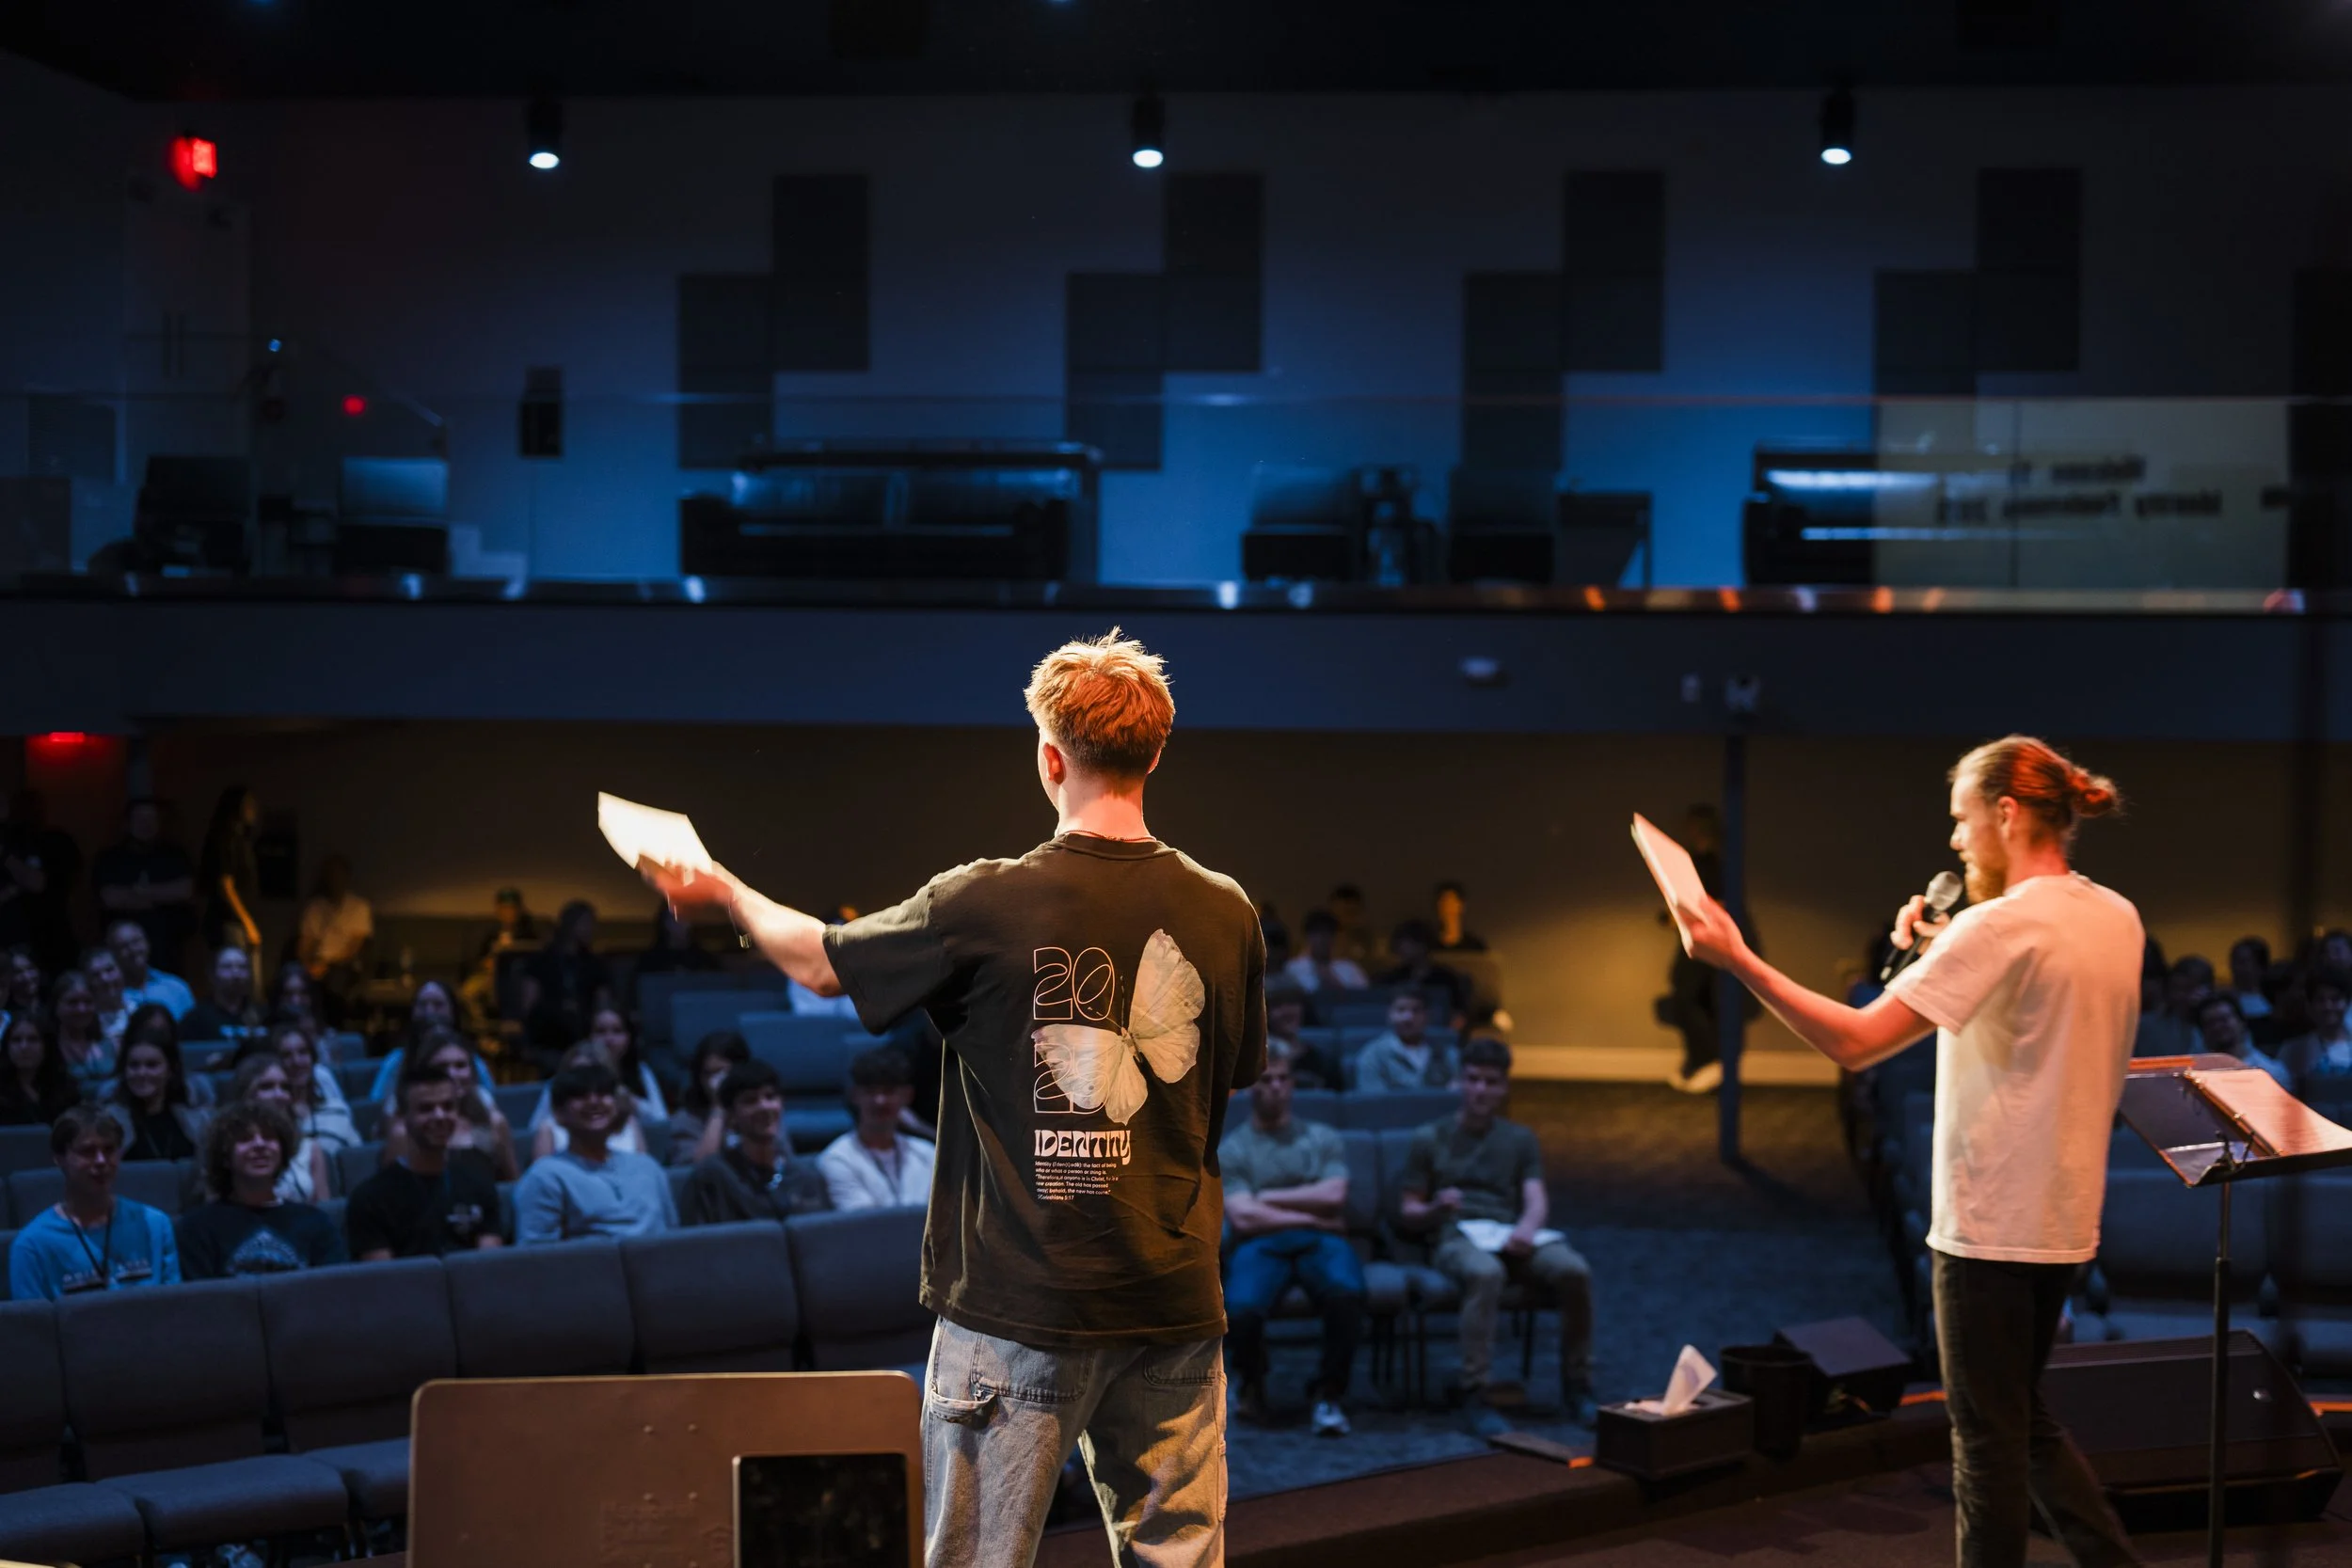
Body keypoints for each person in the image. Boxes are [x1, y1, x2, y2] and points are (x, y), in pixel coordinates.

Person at [644, 628, 1263, 1568]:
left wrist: (722, 886)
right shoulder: (1227, 909)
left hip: (1019, 1304)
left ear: (1050, 757)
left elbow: (818, 964)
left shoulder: (984, 899)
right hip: (1174, 1298)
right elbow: (1230, 1076)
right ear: (1156, 750)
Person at [1677, 735, 2143, 1568]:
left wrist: (1737, 958)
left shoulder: (1996, 927)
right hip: (2066, 1216)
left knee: (1986, 1443)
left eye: (1963, 819)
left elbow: (1856, 1043)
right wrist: (1941, 945)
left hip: (1990, 1225)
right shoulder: (2114, 914)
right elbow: (2029, 1010)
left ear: (2006, 813)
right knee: (2019, 1420)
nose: (1955, 840)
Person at [1395, 1036, 1594, 1420]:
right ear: (1460, 1082)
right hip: (1455, 1235)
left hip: (1508, 1231)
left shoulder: (1519, 1139)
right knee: (1486, 1273)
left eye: (1490, 1082)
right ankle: (1475, 1391)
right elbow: (1409, 1210)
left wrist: (1526, 1227)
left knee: (1574, 1270)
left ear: (1504, 1087)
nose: (1480, 1090)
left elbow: (1536, 1198)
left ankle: (1578, 1383)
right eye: (1472, 1080)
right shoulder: (1430, 1137)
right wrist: (1436, 1206)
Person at [1219, 1040, 1363, 1436]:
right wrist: (1315, 1216)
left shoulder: (1321, 1137)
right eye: (1267, 1079)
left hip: (1318, 1242)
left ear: (1293, 1084)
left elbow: (1335, 1195)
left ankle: (1328, 1394)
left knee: (1346, 1293)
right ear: (1252, 1087)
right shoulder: (1234, 1149)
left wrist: (1266, 1198)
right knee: (1242, 1308)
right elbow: (1243, 1216)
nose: (1277, 1087)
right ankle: (1253, 1386)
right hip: (1263, 1243)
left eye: (1284, 1078)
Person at [8, 1105, 181, 1299]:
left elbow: (172, 1314)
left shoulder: (155, 1225)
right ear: (59, 1159)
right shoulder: (32, 1246)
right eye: (87, 1151)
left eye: (109, 1150)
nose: (101, 1161)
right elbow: (32, 1327)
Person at [346, 1063, 506, 1259]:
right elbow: (384, 1281)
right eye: (426, 1109)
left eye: (448, 1107)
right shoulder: (370, 1200)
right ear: (403, 1117)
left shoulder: (480, 1184)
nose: (439, 1116)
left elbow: (487, 1268)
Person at [176, 1101, 344, 1277]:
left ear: (283, 1152)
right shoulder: (196, 1229)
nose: (259, 1144)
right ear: (225, 1157)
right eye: (245, 1139)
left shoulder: (316, 1222)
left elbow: (332, 1294)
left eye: (269, 1137)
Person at [514, 1060, 675, 1243]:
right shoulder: (545, 1177)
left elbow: (671, 1238)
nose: (593, 1101)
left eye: (603, 1093)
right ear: (559, 1114)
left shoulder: (648, 1167)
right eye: (580, 1095)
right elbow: (537, 1258)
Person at [678, 1058, 832, 1225]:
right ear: (731, 1117)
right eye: (750, 1100)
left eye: (770, 1096)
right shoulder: (711, 1179)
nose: (764, 1107)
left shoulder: (806, 1177)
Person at [528, 1007, 668, 1159]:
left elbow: (645, 1172)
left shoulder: (630, 1124)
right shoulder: (548, 1130)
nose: (592, 1098)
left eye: (601, 1086)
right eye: (580, 1084)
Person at [381, 1028, 519, 1180]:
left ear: (472, 1071)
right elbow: (390, 1193)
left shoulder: (495, 1123)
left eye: (460, 1066)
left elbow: (511, 1183)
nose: (453, 1075)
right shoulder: (403, 1133)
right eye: (442, 1067)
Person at [819, 1045, 936, 1210]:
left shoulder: (928, 1154)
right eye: (870, 1092)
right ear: (854, 1095)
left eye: (889, 1091)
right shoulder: (837, 1158)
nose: (879, 1101)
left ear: (908, 1095)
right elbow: (867, 1226)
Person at [91, 799, 197, 979]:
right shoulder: (111, 858)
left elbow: (185, 890)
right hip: (123, 951)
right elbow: (110, 898)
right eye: (140, 819)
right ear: (127, 823)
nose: (146, 824)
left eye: (151, 819)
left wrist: (140, 893)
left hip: (168, 945)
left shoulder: (174, 855)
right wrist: (162, 895)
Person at [226, 1049, 335, 1202]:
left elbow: (325, 1210)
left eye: (285, 1087)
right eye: (266, 1087)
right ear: (245, 1093)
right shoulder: (227, 1145)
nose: (280, 1095)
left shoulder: (309, 1148)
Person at [363, 979, 491, 1102]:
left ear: (453, 1011)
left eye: (438, 1004)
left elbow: (493, 1102)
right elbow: (375, 1108)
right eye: (422, 1005)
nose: (429, 1012)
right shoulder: (396, 1061)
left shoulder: (471, 1061)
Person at [518, 899, 610, 1068]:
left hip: (585, 1032)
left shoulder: (594, 964)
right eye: (586, 923)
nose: (591, 929)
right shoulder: (541, 961)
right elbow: (528, 1004)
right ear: (570, 924)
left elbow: (603, 1001)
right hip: (548, 1034)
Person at [104, 1026, 209, 1164]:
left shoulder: (198, 1119)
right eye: (134, 1065)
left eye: (152, 1065)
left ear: (170, 1070)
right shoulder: (108, 1121)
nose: (141, 1073)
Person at [7, 789, 82, 977]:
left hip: (54, 935)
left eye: (33, 806)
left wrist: (6, 859)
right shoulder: (10, 841)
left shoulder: (57, 842)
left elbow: (39, 884)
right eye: (21, 807)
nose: (28, 812)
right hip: (10, 936)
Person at [296, 854, 373, 1021]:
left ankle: (334, 1025)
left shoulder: (359, 907)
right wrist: (309, 965)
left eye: (338, 875)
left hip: (344, 966)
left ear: (347, 877)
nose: (334, 880)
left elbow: (354, 947)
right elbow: (305, 945)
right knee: (295, 977)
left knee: (335, 981)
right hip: (317, 964)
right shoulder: (315, 907)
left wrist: (327, 965)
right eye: (331, 875)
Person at [667, 1028, 752, 1167]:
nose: (714, 1083)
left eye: (722, 1072)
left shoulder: (762, 1109)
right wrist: (718, 1107)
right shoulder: (684, 1122)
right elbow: (701, 1170)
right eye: (708, 1074)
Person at [198, 784, 264, 957]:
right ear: (236, 806)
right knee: (235, 977)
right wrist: (247, 923)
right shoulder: (226, 838)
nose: (254, 808)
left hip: (236, 923)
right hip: (229, 924)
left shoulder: (241, 839)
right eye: (248, 804)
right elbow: (226, 886)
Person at [1354, 990, 1457, 1092]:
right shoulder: (1372, 1056)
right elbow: (1374, 1103)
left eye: (1416, 1010)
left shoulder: (1447, 1054)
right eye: (1401, 1010)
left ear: (1428, 1016)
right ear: (1390, 1014)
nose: (1408, 1018)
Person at [2194, 993, 2292, 1090]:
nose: (2217, 1027)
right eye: (2210, 1022)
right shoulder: (2196, 1075)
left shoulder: (2271, 1071)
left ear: (2241, 1022)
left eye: (2223, 1019)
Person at [1379, 919, 1470, 1023]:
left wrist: (1449, 1035)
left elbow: (1459, 1015)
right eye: (1399, 944)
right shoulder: (1392, 978)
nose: (1400, 949)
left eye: (1406, 944)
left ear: (1422, 945)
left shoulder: (1445, 978)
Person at [0, 1013, 79, 1128]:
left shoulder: (66, 1089)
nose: (24, 1047)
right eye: (16, 1040)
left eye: (33, 1040)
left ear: (47, 1045)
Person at [107, 918, 195, 1021]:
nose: (132, 950)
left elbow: (193, 1031)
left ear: (147, 943)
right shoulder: (110, 995)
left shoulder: (176, 988)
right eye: (123, 946)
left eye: (136, 942)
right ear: (113, 954)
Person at [2282, 969, 2352, 1094]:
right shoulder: (2293, 1051)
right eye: (2321, 1000)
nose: (2328, 1006)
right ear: (2310, 1006)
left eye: (2335, 999)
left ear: (2347, 1003)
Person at [1263, 973, 1337, 1089]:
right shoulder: (1252, 1064)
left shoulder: (1323, 1062)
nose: (1287, 1012)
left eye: (1293, 1003)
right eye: (1277, 1005)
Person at [182, 944, 267, 1043]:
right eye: (227, 967)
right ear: (212, 974)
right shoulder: (196, 1020)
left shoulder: (263, 1015)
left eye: (242, 967)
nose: (236, 973)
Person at [2133, 954, 2212, 1058]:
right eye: (2176, 988)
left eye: (2188, 989)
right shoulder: (2146, 1026)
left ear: (2205, 990)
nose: (2179, 996)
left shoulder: (2222, 1023)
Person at [49, 970, 117, 1089]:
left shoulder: (109, 1043)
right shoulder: (48, 1047)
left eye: (88, 1002)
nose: (81, 1009)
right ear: (57, 1005)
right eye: (73, 1003)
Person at [1284, 909, 1369, 994]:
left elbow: (1364, 1000)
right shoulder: (1292, 969)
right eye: (1317, 933)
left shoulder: (1350, 969)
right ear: (1307, 936)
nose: (1322, 938)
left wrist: (1329, 978)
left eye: (1328, 933)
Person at [638, 898, 720, 976]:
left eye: (684, 917)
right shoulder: (650, 961)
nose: (680, 923)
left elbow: (718, 982)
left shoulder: (705, 960)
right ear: (664, 922)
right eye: (673, 918)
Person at [83, 944, 130, 1045]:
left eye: (110, 970)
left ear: (121, 971)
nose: (105, 979)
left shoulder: (139, 1008)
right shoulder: (85, 1022)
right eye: (96, 975)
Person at [1326, 884, 1380, 971]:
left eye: (1352, 912)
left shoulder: (1366, 938)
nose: (1346, 918)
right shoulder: (1322, 937)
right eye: (1344, 912)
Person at [1432, 880, 1487, 955]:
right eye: (1443, 903)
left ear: (1461, 906)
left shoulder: (1474, 946)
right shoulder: (1428, 945)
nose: (1446, 908)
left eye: (1450, 903)